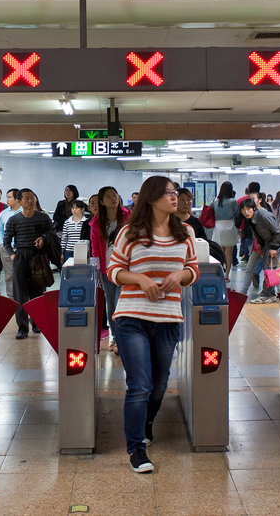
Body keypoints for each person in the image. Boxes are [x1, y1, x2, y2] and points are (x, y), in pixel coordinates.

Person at [105, 176, 200, 473]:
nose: (175, 198)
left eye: (176, 193)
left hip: (168, 319)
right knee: (140, 384)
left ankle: (146, 421)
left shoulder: (186, 232)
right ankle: (136, 449)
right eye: (168, 193)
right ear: (151, 199)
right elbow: (113, 270)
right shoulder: (129, 233)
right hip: (132, 316)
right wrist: (139, 278)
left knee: (158, 386)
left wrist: (180, 277)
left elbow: (193, 269)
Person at [4, 188, 57, 340]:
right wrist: (13, 255)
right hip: (20, 256)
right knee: (20, 294)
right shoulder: (13, 220)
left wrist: (43, 238)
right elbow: (6, 241)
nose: (30, 200)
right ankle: (22, 328)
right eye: (26, 198)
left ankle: (37, 324)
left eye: (32, 197)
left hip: (38, 257)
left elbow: (52, 234)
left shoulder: (43, 217)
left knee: (38, 293)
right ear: (19, 201)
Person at [91, 187, 131, 345]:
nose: (113, 198)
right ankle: (115, 336)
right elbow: (95, 248)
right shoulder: (96, 222)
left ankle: (123, 337)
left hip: (126, 268)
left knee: (121, 301)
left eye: (115, 195)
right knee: (112, 304)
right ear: (102, 202)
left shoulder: (129, 216)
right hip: (107, 268)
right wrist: (98, 270)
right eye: (108, 196)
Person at [239, 197, 280, 302]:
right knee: (267, 267)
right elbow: (257, 231)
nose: (246, 212)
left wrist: (273, 247)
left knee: (268, 268)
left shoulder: (264, 216)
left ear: (254, 208)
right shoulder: (250, 218)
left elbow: (279, 233)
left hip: (275, 242)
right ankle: (270, 294)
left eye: (248, 209)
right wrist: (260, 242)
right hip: (267, 242)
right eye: (243, 210)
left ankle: (267, 294)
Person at [211, 182, 238, 267]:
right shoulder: (233, 201)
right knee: (228, 254)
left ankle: (222, 271)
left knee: (220, 252)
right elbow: (236, 212)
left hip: (218, 226)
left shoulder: (215, 201)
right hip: (230, 226)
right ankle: (227, 274)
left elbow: (211, 211)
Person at [234, 182, 261, 265]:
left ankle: (247, 257)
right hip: (260, 234)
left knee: (247, 242)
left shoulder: (243, 201)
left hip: (248, 228)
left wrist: (238, 227)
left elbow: (238, 216)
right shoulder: (263, 203)